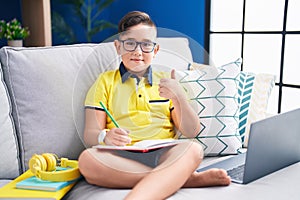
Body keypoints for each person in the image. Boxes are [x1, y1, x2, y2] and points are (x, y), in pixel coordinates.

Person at [78, 11, 231, 200]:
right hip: (122, 158)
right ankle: (183, 179)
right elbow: (90, 134)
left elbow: (191, 131)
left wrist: (179, 97)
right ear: (118, 47)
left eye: (146, 45)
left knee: (193, 149)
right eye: (130, 43)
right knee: (86, 160)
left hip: (164, 153)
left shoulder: (166, 81)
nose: (138, 51)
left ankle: (160, 182)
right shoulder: (104, 82)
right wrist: (105, 136)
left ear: (155, 50)